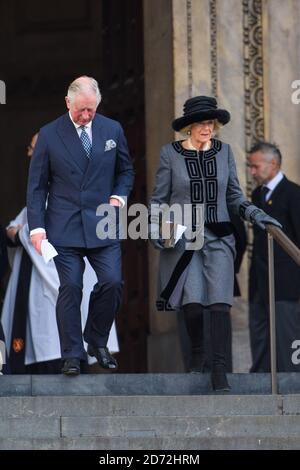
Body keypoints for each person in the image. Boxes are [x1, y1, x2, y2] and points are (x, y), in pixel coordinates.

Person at [149, 95, 281, 391]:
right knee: (193, 304)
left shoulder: (225, 153)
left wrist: (255, 214)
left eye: (211, 123)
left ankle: (218, 370)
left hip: (220, 237)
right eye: (201, 123)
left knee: (220, 304)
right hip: (185, 238)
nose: (207, 128)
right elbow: (159, 200)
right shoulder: (170, 154)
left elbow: (234, 196)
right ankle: (198, 352)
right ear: (189, 127)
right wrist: (157, 229)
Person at [27, 76, 134, 375]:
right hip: (64, 226)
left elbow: (126, 170)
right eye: (81, 110)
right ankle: (72, 354)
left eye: (91, 110)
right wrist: (37, 228)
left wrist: (118, 197)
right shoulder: (49, 135)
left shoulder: (112, 129)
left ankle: (96, 340)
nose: (86, 116)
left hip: (103, 222)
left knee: (112, 282)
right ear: (68, 103)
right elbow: (36, 186)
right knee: (71, 287)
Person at [1, 133, 119, 374]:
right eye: (31, 147)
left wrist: (17, 233)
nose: (30, 154)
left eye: (34, 148)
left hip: (60, 271)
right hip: (40, 279)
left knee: (56, 346)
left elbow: (38, 231)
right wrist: (15, 232)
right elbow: (23, 222)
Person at [248, 141, 300, 372]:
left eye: (256, 166)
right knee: (260, 336)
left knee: (286, 338)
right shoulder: (257, 194)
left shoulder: (293, 193)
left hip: (285, 283)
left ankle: (291, 391)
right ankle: (258, 387)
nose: (252, 171)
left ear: (274, 164)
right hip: (259, 281)